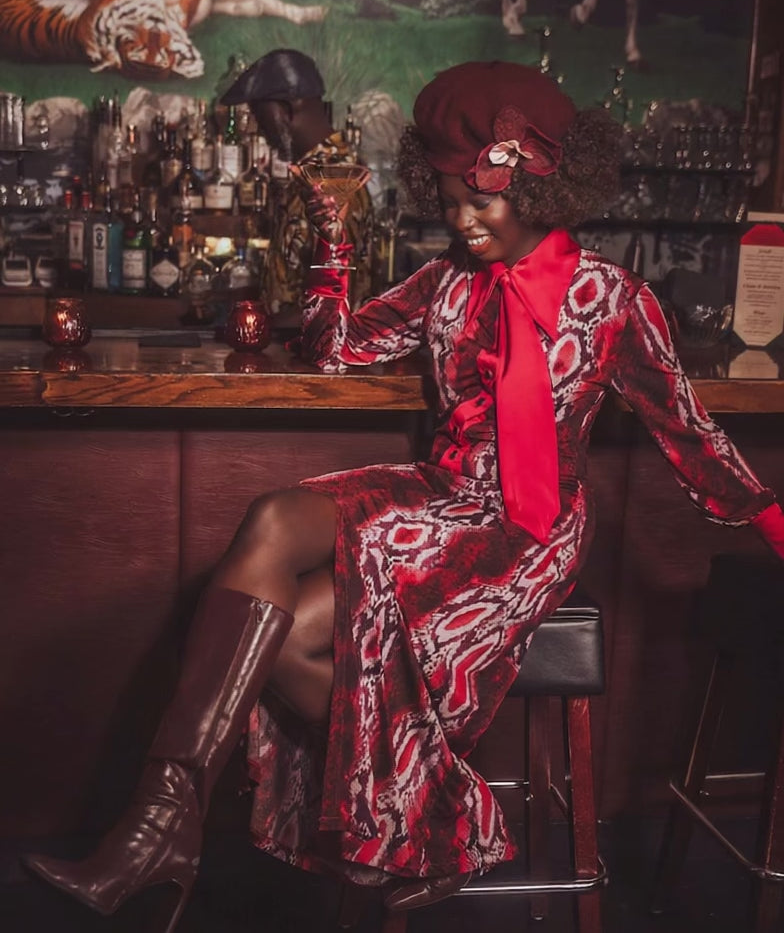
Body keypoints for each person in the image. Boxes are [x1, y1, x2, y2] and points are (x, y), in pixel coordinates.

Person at [24, 60, 784, 928]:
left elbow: (689, 432)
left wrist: (775, 525)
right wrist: (332, 237)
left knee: (295, 625)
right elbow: (333, 349)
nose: (461, 222)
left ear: (538, 185)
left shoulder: (612, 299)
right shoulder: (446, 285)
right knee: (274, 518)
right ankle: (159, 828)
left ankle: (435, 813)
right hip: (441, 491)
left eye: (480, 201)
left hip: (524, 528)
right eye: (449, 201)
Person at [220, 47, 374, 315]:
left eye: (259, 113)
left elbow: (338, 292)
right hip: (291, 347)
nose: (259, 127)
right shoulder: (310, 173)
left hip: (313, 349)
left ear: (289, 108)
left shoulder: (335, 180)